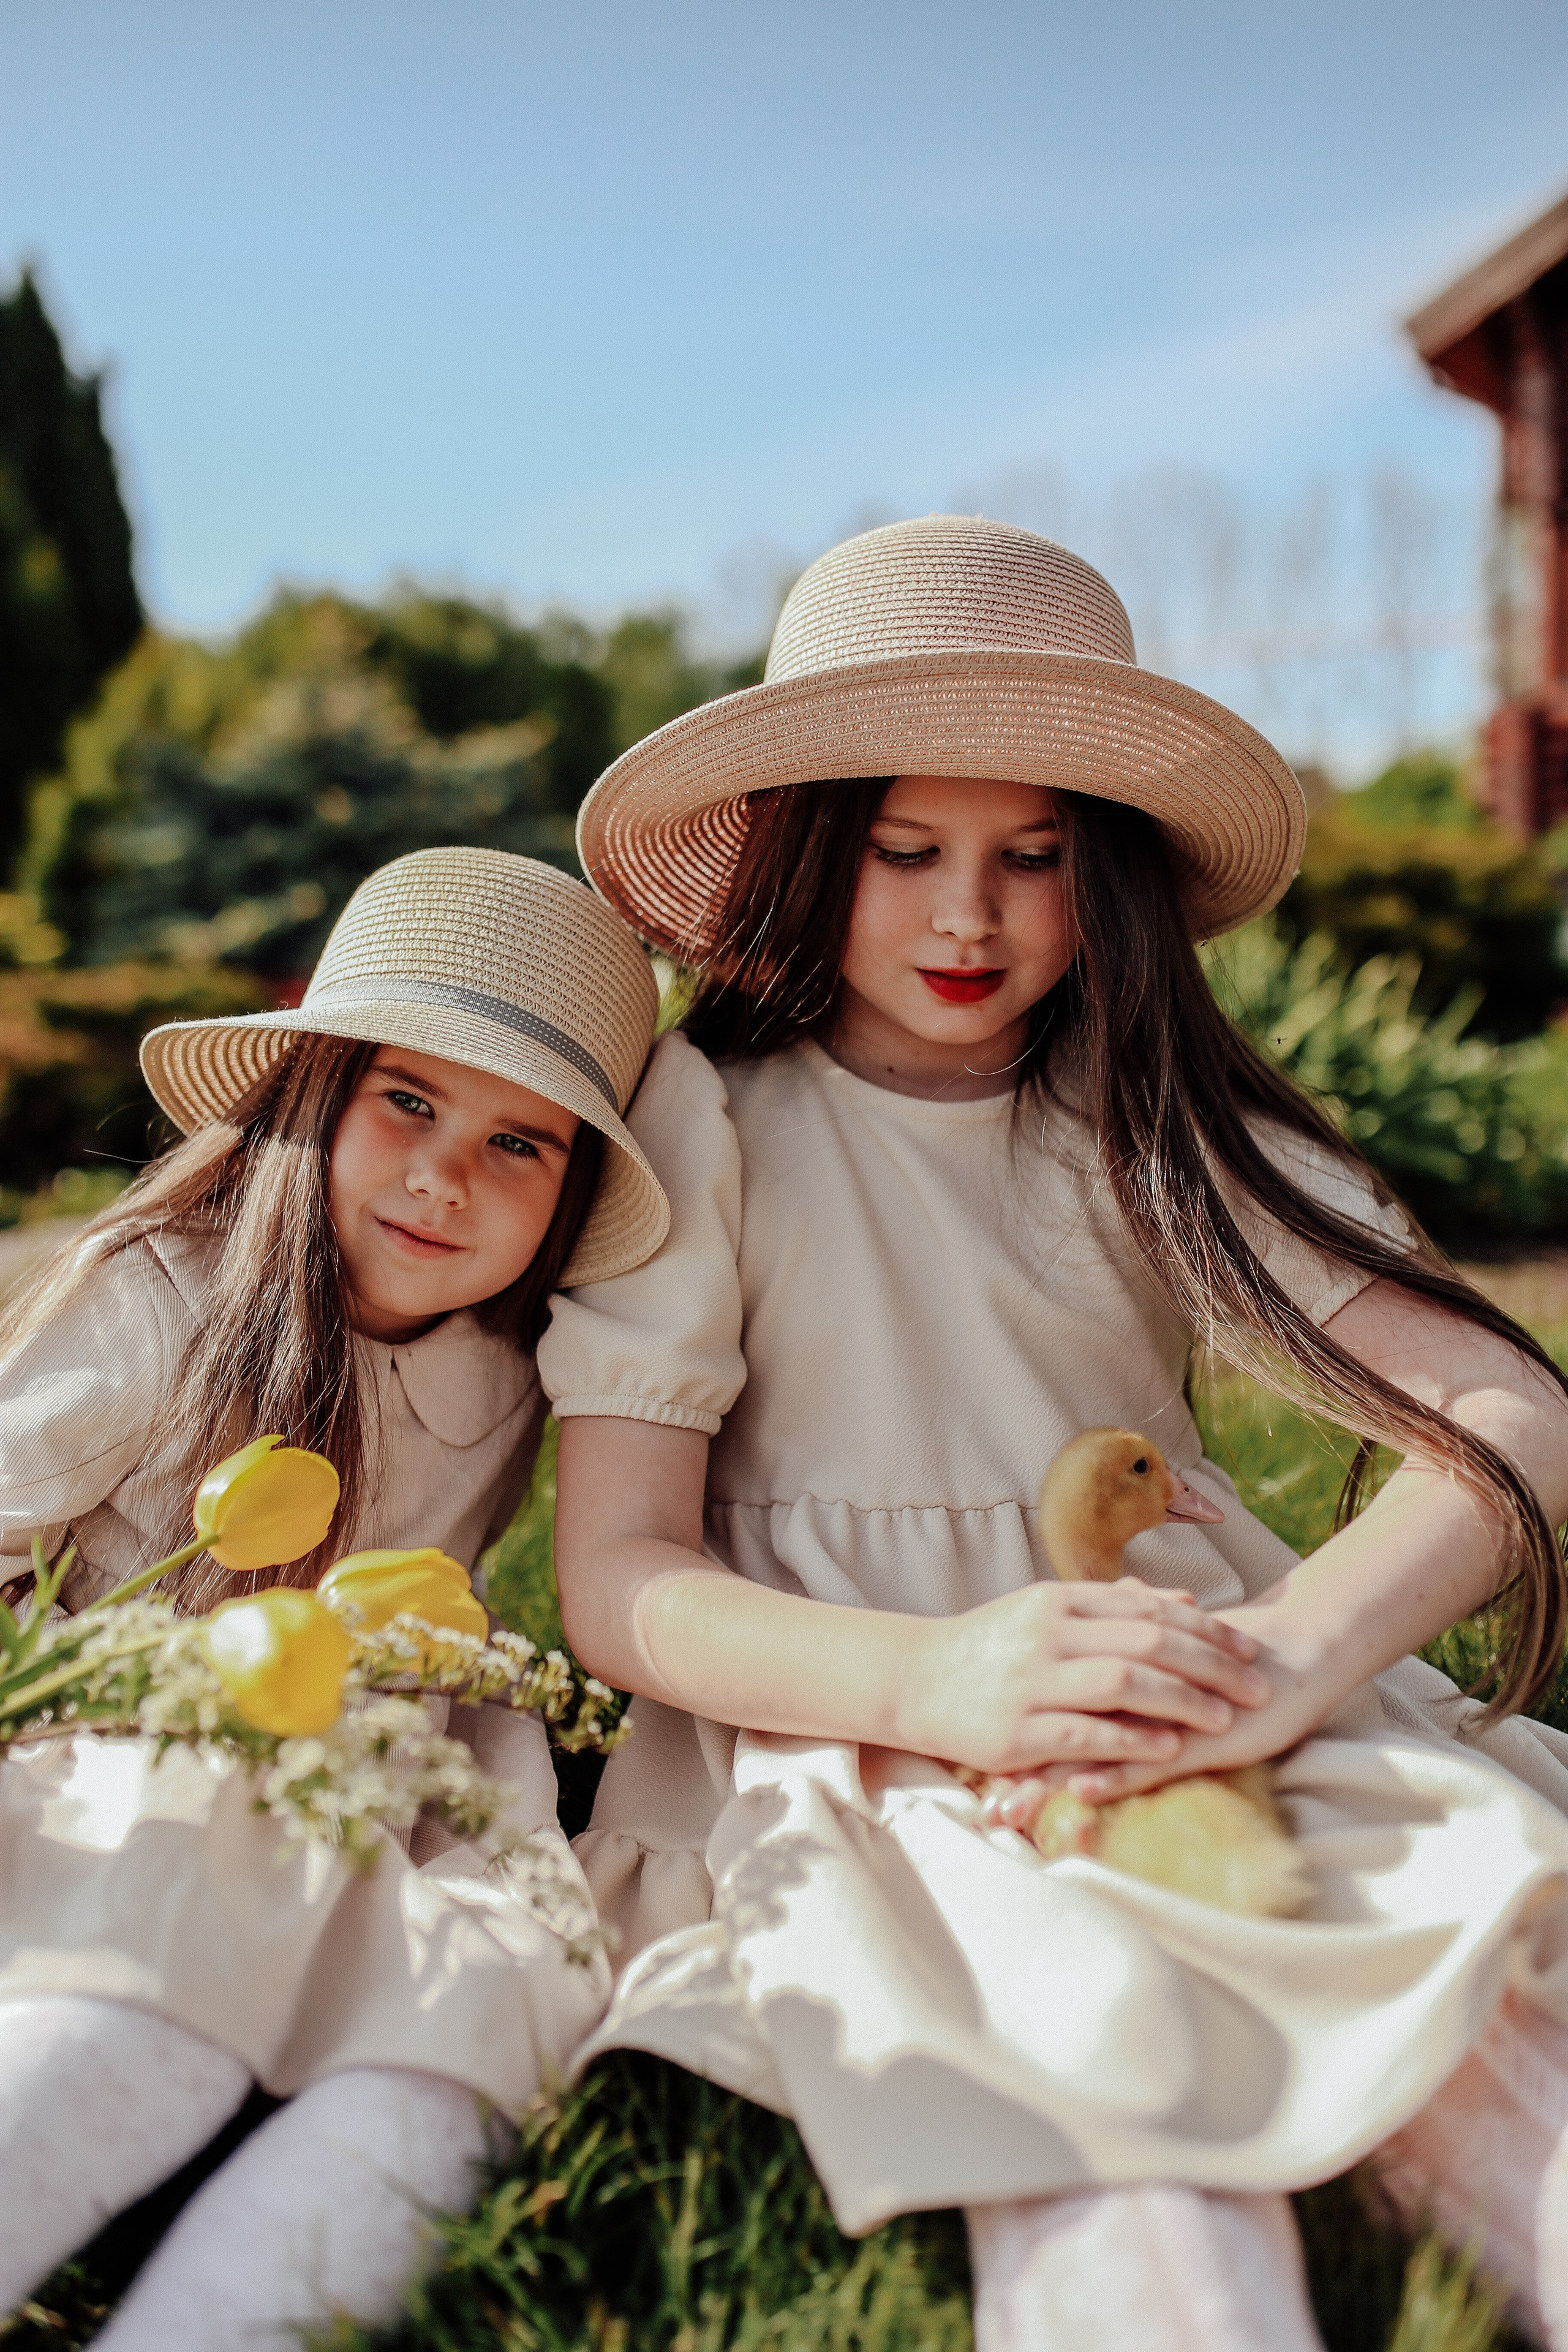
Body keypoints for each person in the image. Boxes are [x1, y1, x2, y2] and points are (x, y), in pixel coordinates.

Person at [541, 517, 1568, 2351]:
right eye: (905, 851)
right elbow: (619, 1578)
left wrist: (1285, 1656)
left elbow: (1514, 1418)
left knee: (1468, 2003)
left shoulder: (1148, 1111)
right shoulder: (702, 1115)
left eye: (1033, 858)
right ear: (803, 854)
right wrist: (937, 1682)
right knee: (1087, 2062)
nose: (970, 917)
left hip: (1179, 1671)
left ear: (1108, 879)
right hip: (860, 1716)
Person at [0, 848, 668, 2348]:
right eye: (408, 1104)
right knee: (161, 1961)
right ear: (319, 1094)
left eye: (521, 1146)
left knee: (477, 2024)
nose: (445, 1175)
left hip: (378, 1772)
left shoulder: (501, 1373)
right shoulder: (164, 1295)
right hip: (128, 1739)